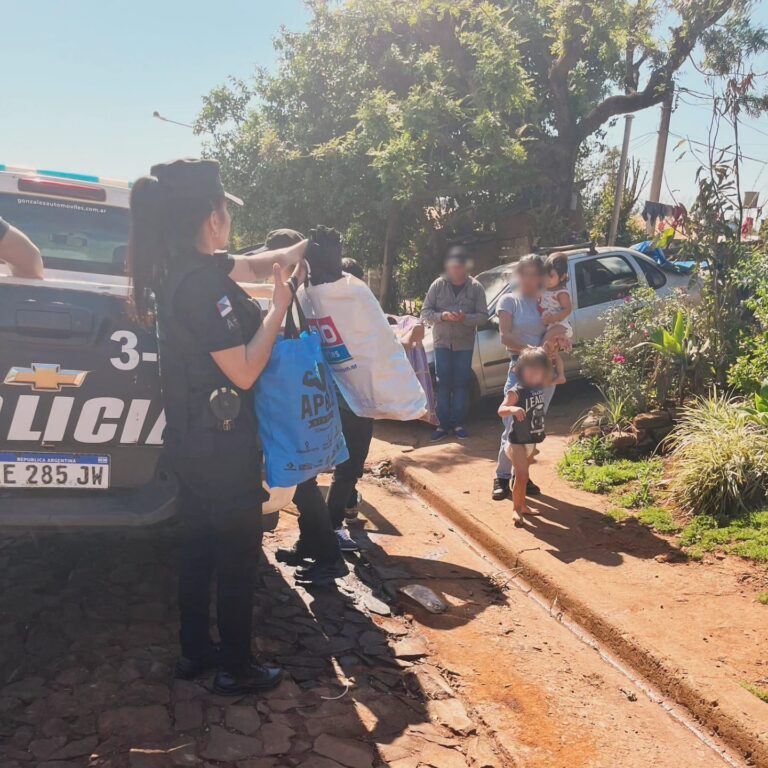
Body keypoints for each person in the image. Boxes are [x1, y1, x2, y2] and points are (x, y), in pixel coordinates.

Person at [128, 158, 307, 695]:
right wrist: (278, 310)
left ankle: (196, 654)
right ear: (212, 218)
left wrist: (305, 252)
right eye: (226, 210)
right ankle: (236, 666)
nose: (228, 219)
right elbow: (245, 369)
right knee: (235, 553)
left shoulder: (180, 271)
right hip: (221, 444)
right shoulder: (205, 289)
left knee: (198, 548)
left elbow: (258, 262)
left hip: (191, 439)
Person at [493, 254, 557, 502]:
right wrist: (534, 351)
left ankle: (523, 475)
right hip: (518, 370)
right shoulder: (509, 301)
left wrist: (557, 340)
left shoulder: (546, 301)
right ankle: (500, 476)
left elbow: (557, 328)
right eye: (525, 273)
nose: (530, 279)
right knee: (513, 423)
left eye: (535, 274)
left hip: (544, 375)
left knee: (533, 426)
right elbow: (505, 337)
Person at [421, 246, 488, 441]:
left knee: (461, 384)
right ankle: (443, 425)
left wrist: (464, 318)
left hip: (464, 344)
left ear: (466, 268)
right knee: (443, 384)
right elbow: (425, 312)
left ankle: (458, 424)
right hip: (442, 343)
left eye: (459, 267)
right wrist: (443, 316)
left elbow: (483, 316)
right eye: (452, 267)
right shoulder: (438, 285)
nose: (455, 270)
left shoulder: (476, 288)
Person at [498, 348, 552, 526]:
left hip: (531, 440)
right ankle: (516, 509)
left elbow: (561, 378)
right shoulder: (516, 391)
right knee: (522, 475)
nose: (534, 373)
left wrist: (556, 355)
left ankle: (523, 505)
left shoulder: (538, 386)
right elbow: (501, 410)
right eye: (530, 369)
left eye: (538, 369)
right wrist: (513, 409)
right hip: (517, 441)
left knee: (522, 476)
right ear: (521, 370)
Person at [539, 252, 572, 386]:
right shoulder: (545, 289)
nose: (547, 279)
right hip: (551, 325)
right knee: (554, 352)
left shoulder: (562, 293)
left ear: (562, 277)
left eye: (551, 276)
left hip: (561, 325)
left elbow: (567, 309)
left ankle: (540, 365)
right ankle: (560, 375)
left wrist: (553, 318)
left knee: (544, 342)